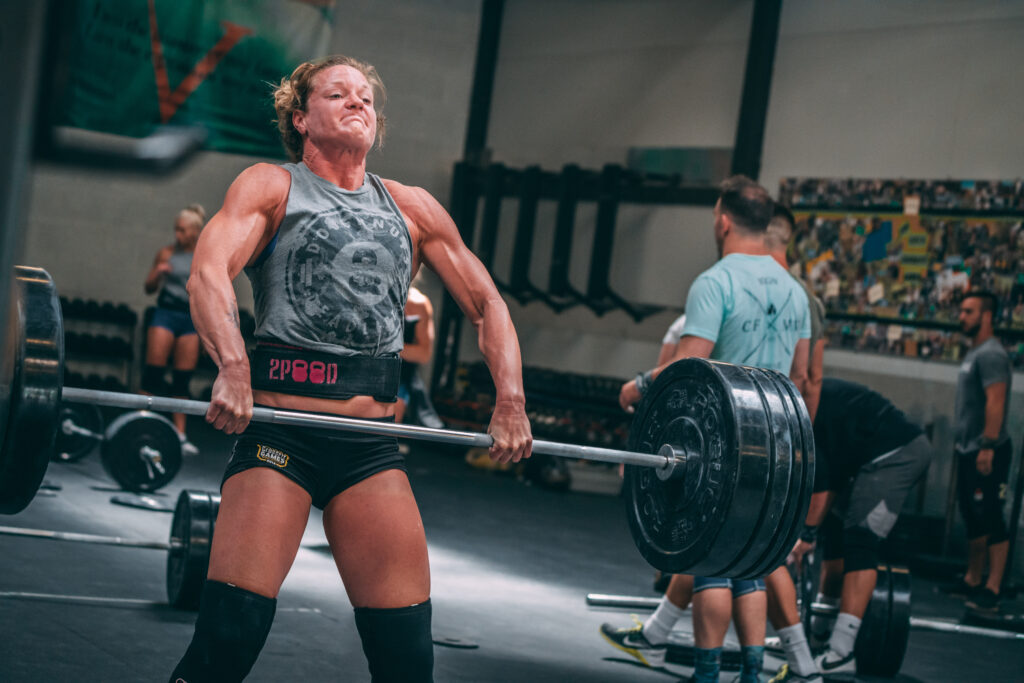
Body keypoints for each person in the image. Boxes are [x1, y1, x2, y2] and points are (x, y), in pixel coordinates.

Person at [168, 55, 532, 683]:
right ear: (301, 118)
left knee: (406, 659)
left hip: (369, 450)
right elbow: (208, 274)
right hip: (280, 436)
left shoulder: (413, 206)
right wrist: (232, 365)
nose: (358, 103)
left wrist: (511, 401)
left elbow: (487, 302)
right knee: (228, 641)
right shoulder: (270, 186)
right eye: (338, 95)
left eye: (365, 97)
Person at [603, 176, 811, 683]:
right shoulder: (796, 293)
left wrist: (637, 386)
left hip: (724, 441)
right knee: (751, 564)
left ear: (722, 220)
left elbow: (688, 367)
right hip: (779, 446)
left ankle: (708, 673)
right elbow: (801, 380)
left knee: (713, 561)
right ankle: (755, 672)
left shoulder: (715, 282)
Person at [769, 378, 932, 681]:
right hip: (863, 460)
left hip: (898, 455)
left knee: (860, 539)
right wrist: (811, 533)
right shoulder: (799, 412)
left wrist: (805, 536)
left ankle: (842, 652)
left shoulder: (806, 413)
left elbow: (821, 491)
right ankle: (818, 635)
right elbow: (826, 485)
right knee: (833, 532)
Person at [948, 290, 1013, 611]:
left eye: (968, 312)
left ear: (986, 316)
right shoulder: (975, 353)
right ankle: (973, 579)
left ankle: (993, 587)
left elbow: (996, 401)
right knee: (973, 516)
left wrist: (987, 446)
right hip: (968, 448)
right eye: (961, 311)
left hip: (987, 450)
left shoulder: (991, 355)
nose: (962, 317)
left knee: (991, 516)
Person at [143, 203, 206, 456]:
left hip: (189, 319)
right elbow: (148, 289)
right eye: (176, 230)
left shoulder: (203, 256)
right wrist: (158, 273)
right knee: (152, 375)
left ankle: (180, 436)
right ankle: (139, 424)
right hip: (165, 314)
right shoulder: (166, 253)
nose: (177, 235)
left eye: (182, 230)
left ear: (194, 232)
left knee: (182, 381)